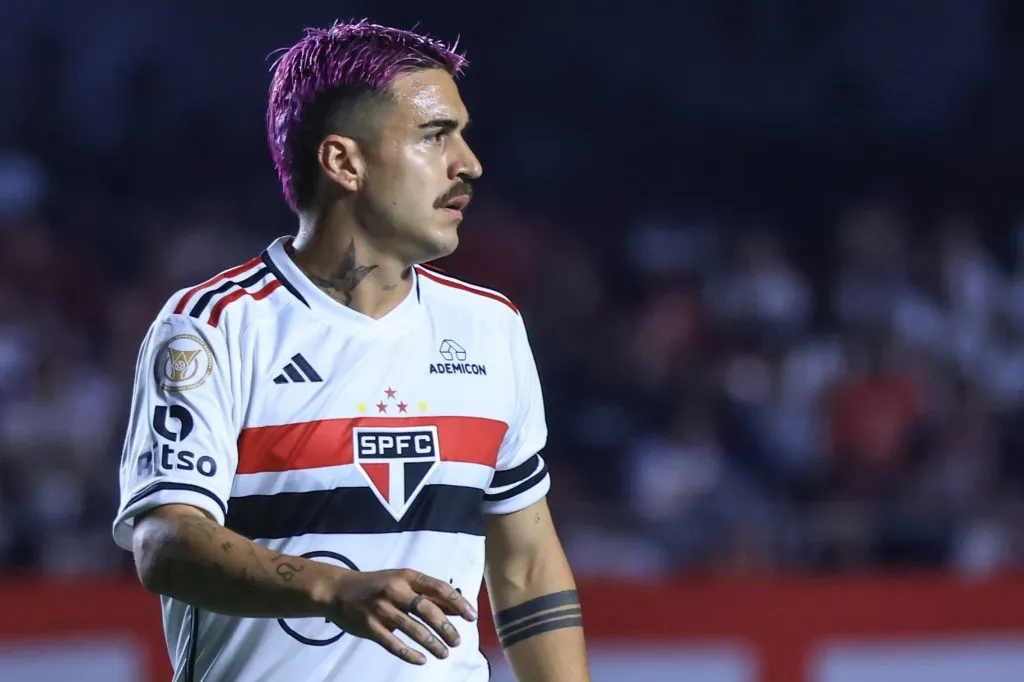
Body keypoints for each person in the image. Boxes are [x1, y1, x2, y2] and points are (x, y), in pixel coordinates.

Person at [112, 19, 591, 682]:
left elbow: (526, 563)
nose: (469, 163)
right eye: (434, 136)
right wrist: (332, 590)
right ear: (344, 162)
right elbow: (166, 543)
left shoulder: (491, 327)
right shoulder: (213, 327)